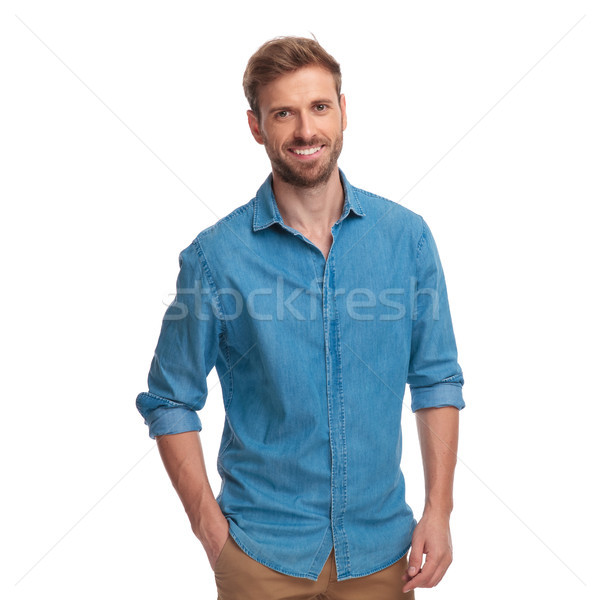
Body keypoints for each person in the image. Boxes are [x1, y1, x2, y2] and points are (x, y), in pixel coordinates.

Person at [136, 36, 465, 600]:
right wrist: (211, 533)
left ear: (343, 112)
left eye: (319, 107)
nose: (306, 131)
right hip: (260, 555)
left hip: (383, 557)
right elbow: (170, 399)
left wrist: (439, 511)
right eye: (283, 113)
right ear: (256, 126)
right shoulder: (214, 258)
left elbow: (435, 379)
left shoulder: (406, 240)